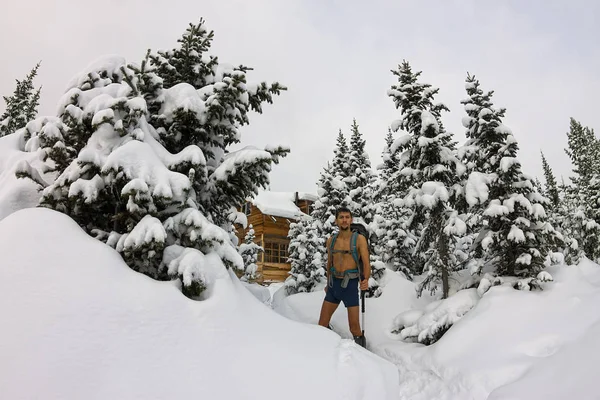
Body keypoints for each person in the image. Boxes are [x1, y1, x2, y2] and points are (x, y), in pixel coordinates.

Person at [318, 206, 371, 346]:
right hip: (334, 286)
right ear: (336, 221)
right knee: (322, 324)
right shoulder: (331, 240)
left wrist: (365, 280)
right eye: (341, 217)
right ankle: (326, 347)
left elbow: (366, 263)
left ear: (351, 219)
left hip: (350, 287)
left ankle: (364, 354)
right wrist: (328, 282)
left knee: (354, 328)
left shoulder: (359, 239)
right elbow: (329, 263)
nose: (344, 220)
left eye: (347, 217)